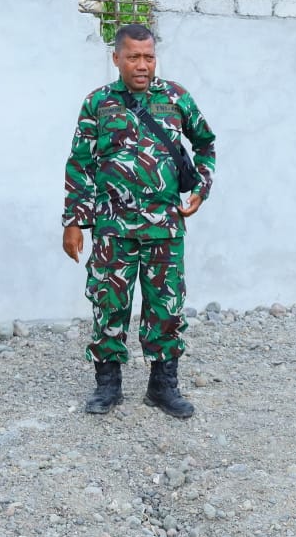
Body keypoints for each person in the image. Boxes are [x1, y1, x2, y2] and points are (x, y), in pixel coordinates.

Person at [63, 24, 216, 419]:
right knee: (109, 304)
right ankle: (107, 385)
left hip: (165, 227)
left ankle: (162, 386)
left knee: (166, 306)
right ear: (116, 58)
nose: (142, 65)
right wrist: (74, 222)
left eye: (149, 56)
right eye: (134, 57)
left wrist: (201, 187)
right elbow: (80, 164)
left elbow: (205, 144)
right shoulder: (98, 103)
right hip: (113, 227)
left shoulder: (175, 98)